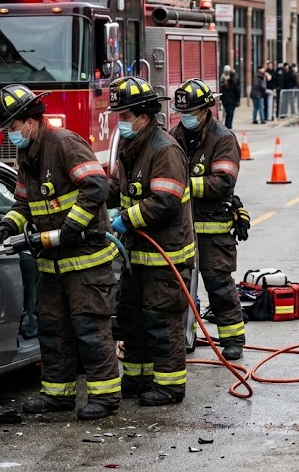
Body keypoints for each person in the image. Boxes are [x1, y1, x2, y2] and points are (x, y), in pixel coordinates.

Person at [0, 83, 121, 420]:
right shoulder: (26, 154)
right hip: (52, 264)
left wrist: (71, 228)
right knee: (52, 329)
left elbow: (96, 186)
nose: (10, 135)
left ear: (30, 121)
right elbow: (24, 204)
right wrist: (8, 226)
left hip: (86, 260)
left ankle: (105, 397)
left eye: (13, 128)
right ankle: (57, 395)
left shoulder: (64, 144)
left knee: (90, 330)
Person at [107, 76, 196, 407]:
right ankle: (138, 378)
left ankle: (170, 386)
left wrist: (124, 219)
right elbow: (120, 189)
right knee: (131, 318)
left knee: (162, 320)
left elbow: (165, 201)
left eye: (125, 117)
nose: (121, 123)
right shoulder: (132, 148)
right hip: (137, 255)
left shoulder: (164, 150)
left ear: (143, 116)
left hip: (165, 255)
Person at [169, 78, 247, 361]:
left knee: (219, 285)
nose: (185, 118)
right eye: (182, 113)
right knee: (179, 286)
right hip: (180, 228)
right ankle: (184, 336)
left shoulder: (223, 139)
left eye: (190, 113)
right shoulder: (173, 136)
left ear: (205, 110)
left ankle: (233, 338)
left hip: (213, 228)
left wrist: (182, 186)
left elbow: (224, 181)